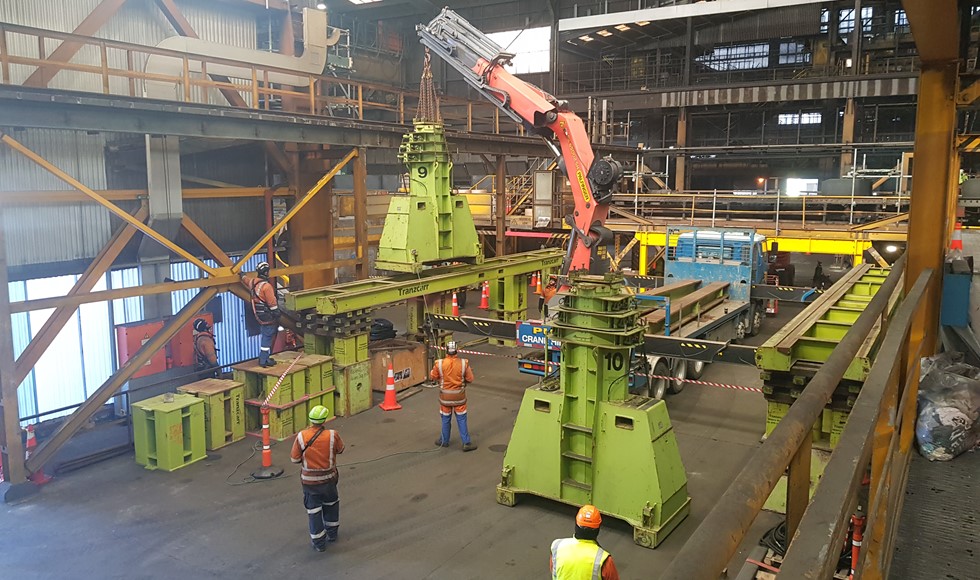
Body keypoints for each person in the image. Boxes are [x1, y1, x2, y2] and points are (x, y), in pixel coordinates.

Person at [290, 405, 345, 552]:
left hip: (310, 483)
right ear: (324, 420)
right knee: (331, 505)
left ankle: (319, 544)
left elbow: (294, 459)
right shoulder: (333, 435)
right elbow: (340, 449)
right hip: (329, 480)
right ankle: (332, 534)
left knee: (314, 512)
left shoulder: (302, 436)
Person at [550, 505, 620, 580]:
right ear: (597, 530)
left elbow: (553, 570)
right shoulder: (604, 560)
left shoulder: (557, 547)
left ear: (576, 525)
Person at [430, 341, 477, 451]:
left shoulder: (439, 363)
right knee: (461, 419)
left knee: (445, 419)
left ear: (446, 351)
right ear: (456, 350)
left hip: (445, 398)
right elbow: (470, 379)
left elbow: (433, 376)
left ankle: (444, 441)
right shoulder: (464, 363)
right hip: (459, 398)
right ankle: (466, 443)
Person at [241, 262, 279, 367]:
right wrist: (277, 313)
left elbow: (246, 280)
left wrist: (242, 275)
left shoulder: (253, 282)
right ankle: (264, 360)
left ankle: (264, 358)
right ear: (266, 272)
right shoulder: (266, 287)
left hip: (258, 314)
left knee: (265, 334)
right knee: (267, 336)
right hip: (267, 316)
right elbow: (272, 303)